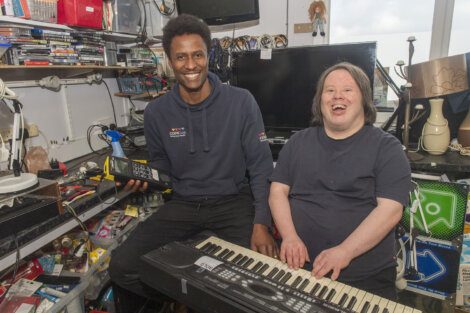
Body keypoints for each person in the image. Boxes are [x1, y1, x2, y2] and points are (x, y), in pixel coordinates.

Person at [109, 14, 277, 312]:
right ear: (170, 62)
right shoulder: (156, 112)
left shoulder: (241, 101)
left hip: (233, 203)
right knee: (122, 267)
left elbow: (261, 167)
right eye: (181, 57)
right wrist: (145, 179)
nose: (190, 65)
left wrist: (261, 222)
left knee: (252, 285)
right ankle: (183, 298)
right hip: (183, 205)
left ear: (208, 55)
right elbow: (162, 168)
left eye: (197, 55)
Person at [269, 62, 411, 300]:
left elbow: (391, 210)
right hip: (299, 270)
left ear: (364, 99)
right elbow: (277, 192)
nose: (338, 96)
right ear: (320, 99)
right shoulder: (297, 143)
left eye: (347, 90)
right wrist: (290, 237)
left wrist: (345, 251)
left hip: (366, 279)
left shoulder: (387, 148)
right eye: (330, 90)